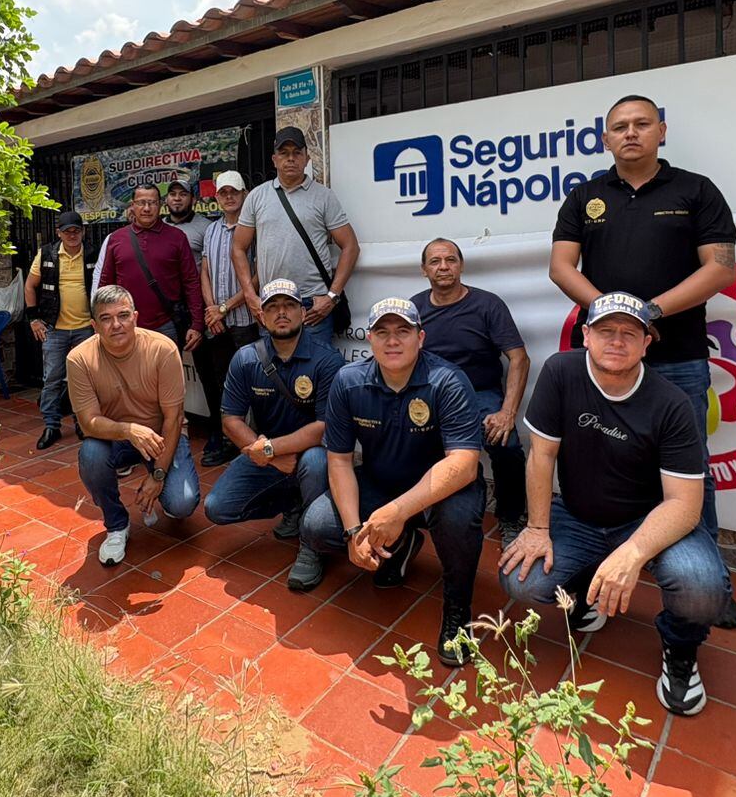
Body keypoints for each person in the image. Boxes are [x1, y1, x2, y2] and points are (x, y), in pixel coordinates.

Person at [549, 93, 736, 629]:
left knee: (690, 471)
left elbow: (720, 270)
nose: (629, 133)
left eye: (640, 124)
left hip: (677, 359)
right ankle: (597, 574)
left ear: (662, 130)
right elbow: (561, 265)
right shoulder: (585, 195)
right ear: (604, 138)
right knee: (596, 461)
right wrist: (613, 317)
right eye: (618, 127)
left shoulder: (697, 191)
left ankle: (712, 587)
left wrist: (649, 312)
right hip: (602, 359)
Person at [499, 291, 730, 716]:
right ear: (586, 335)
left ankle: (680, 650)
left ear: (647, 343)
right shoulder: (560, 372)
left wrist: (632, 553)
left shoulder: (672, 403)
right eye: (606, 330)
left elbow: (684, 505)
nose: (617, 341)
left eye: (630, 333)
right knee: (522, 580)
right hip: (579, 513)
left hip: (649, 521)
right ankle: (587, 589)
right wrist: (536, 528)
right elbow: (541, 455)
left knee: (703, 588)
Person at [301, 298, 485, 668]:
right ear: (369, 339)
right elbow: (337, 459)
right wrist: (355, 530)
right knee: (317, 526)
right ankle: (401, 545)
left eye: (403, 331)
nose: (392, 341)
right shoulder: (349, 381)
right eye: (382, 332)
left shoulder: (447, 380)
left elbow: (464, 465)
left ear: (421, 337)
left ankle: (457, 608)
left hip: (440, 490)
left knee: (460, 517)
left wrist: (398, 511)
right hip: (381, 483)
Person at [205, 279, 345, 586]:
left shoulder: (327, 359)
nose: (281, 313)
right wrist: (264, 452)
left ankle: (311, 546)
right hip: (269, 453)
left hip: (310, 454)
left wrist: (269, 451)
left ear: (302, 311)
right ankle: (294, 505)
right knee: (217, 508)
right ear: (262, 317)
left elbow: (324, 428)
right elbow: (230, 418)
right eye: (273, 307)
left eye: (289, 305)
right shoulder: (246, 358)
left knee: (316, 461)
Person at [67, 285, 202, 565]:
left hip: (162, 436)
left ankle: (163, 488)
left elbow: (173, 418)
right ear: (94, 325)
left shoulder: (162, 349)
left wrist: (158, 476)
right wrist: (128, 430)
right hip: (116, 439)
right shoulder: (79, 359)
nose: (116, 324)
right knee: (91, 454)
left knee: (181, 504)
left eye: (123, 315)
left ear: (136, 317)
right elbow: (88, 423)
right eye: (105, 318)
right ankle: (117, 525)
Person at [411, 238, 531, 548]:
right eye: (435, 262)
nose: (443, 267)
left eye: (450, 260)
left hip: (479, 395)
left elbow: (519, 358)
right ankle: (410, 516)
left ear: (461, 265)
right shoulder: (415, 308)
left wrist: (507, 413)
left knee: (507, 445)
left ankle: (511, 517)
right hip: (430, 396)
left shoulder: (488, 305)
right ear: (424, 270)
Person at [232, 127, 360, 353]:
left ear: (307, 158)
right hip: (270, 303)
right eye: (284, 153)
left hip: (312, 306)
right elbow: (238, 248)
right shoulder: (257, 197)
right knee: (274, 377)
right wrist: (251, 297)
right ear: (274, 159)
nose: (290, 158)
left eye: (296, 152)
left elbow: (350, 246)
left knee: (316, 377)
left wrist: (332, 296)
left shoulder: (324, 196)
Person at [193, 171, 259, 467]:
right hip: (216, 321)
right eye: (223, 193)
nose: (229, 197)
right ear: (216, 197)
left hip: (244, 320)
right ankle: (227, 439)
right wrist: (211, 310)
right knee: (222, 384)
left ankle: (250, 441)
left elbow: (257, 276)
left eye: (234, 192)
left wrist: (225, 308)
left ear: (244, 194)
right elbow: (204, 271)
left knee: (249, 383)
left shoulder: (254, 228)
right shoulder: (211, 230)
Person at [98, 183, 204, 355]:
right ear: (132, 205)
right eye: (141, 203)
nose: (146, 208)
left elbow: (191, 282)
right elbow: (105, 285)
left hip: (167, 325)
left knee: (165, 380)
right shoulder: (117, 239)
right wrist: (102, 321)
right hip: (126, 326)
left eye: (152, 203)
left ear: (160, 205)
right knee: (128, 380)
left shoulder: (177, 238)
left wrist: (197, 324)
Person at [24, 211, 94, 450]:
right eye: (67, 231)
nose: (72, 235)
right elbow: (30, 286)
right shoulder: (47, 254)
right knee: (52, 379)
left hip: (86, 328)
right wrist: (34, 319)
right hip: (55, 330)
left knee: (84, 379)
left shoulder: (93, 253)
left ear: (83, 231)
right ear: (59, 233)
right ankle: (51, 425)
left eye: (76, 230)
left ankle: (82, 422)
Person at [164, 178, 209, 268]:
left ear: (193, 200)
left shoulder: (207, 227)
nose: (177, 198)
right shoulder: (158, 226)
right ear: (166, 200)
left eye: (183, 194)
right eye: (172, 194)